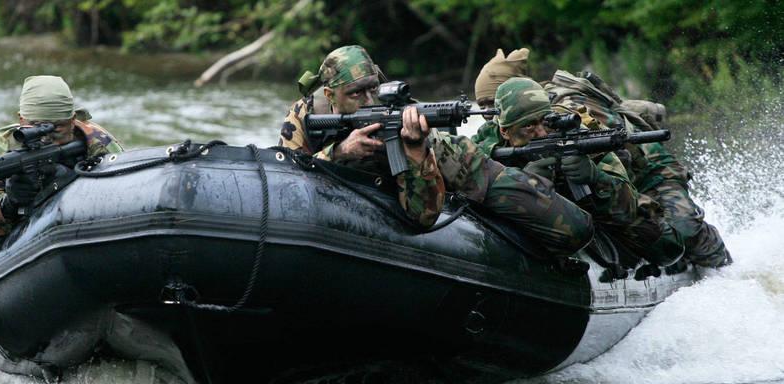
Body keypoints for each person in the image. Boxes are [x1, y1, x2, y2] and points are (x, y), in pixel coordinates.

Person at [473, 48, 731, 268]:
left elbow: (621, 164)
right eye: (484, 107)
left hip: (650, 171)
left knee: (681, 232)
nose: (488, 112)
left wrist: (594, 177)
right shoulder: (490, 135)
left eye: (490, 104)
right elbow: (472, 165)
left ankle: (724, 267)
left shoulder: (576, 118)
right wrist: (522, 180)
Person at [0, 75, 124, 298]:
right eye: (37, 128)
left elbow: (123, 196)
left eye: (57, 128)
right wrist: (10, 203)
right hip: (2, 230)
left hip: (75, 225)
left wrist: (69, 180)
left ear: (72, 119)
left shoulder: (96, 141)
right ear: (21, 120)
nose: (47, 138)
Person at [279, 45, 445, 228]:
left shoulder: (396, 111)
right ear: (330, 95)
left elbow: (424, 217)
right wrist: (338, 152)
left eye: (373, 88)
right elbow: (288, 181)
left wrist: (415, 147)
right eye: (356, 93)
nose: (369, 101)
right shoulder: (304, 114)